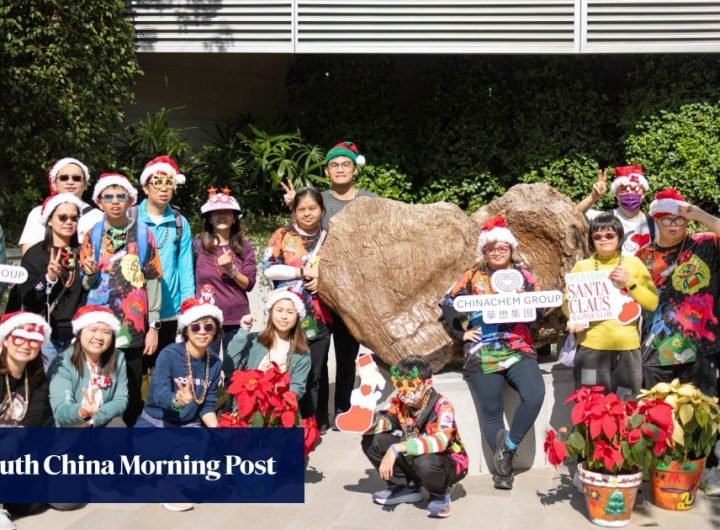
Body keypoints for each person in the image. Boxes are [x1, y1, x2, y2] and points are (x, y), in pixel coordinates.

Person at [438, 216, 545, 490]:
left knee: (534, 395)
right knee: (492, 411)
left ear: (511, 250)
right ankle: (503, 470)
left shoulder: (525, 277)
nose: (496, 252)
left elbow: (542, 310)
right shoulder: (472, 277)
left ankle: (508, 448)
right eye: (491, 248)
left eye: (502, 247)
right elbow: (447, 305)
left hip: (519, 347)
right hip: (483, 349)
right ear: (483, 251)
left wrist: (526, 300)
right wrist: (461, 334)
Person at [281, 141, 378, 427]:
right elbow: (301, 231)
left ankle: (343, 411)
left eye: (345, 164)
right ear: (326, 171)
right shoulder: (318, 199)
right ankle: (318, 416)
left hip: (352, 294)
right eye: (334, 165)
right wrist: (291, 206)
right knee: (317, 360)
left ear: (355, 169)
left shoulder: (368, 200)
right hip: (317, 295)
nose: (339, 169)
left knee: (347, 358)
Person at [80, 173, 163, 426]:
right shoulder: (91, 235)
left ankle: (130, 450)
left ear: (130, 201)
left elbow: (153, 279)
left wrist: (154, 326)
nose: (115, 202)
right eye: (108, 197)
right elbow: (86, 284)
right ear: (99, 202)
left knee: (133, 392)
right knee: (98, 389)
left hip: (134, 329)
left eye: (121, 196)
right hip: (99, 329)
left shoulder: (143, 233)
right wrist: (91, 273)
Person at [635, 188, 720, 396]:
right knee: (657, 415)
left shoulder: (705, 243)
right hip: (656, 349)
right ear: (656, 219)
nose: (674, 225)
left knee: (703, 417)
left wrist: (700, 214)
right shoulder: (642, 255)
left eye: (679, 220)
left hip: (702, 347)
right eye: (667, 220)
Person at [564, 212, 658, 399]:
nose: (604, 239)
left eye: (609, 235)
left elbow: (652, 303)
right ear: (591, 240)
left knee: (627, 403)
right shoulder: (582, 267)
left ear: (619, 236)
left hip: (627, 349)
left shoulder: (634, 263)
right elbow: (568, 302)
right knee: (589, 404)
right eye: (597, 236)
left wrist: (630, 282)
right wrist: (572, 318)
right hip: (591, 348)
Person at [361, 355, 468, 519]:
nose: (405, 392)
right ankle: (406, 486)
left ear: (427, 383)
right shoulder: (399, 403)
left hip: (445, 462)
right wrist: (364, 421)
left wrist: (396, 448)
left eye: (411, 385)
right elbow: (386, 421)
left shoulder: (443, 406)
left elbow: (441, 441)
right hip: (413, 456)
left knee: (424, 462)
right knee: (372, 440)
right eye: (399, 385)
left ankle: (439, 494)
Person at [264, 188, 330, 427]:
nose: (307, 213)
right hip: (285, 315)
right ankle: (285, 419)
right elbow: (269, 268)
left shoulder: (331, 239)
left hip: (319, 316)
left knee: (315, 371)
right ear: (294, 211)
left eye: (313, 208)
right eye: (301, 209)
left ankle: (313, 423)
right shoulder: (282, 235)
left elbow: (342, 274)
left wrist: (323, 278)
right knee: (286, 368)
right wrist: (301, 272)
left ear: (322, 210)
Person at [14, 193, 96, 371]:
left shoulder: (83, 251)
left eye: (74, 218)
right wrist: (48, 278)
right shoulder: (35, 254)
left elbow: (90, 292)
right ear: (49, 221)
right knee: (47, 391)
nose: (69, 222)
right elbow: (28, 296)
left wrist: (91, 274)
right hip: (46, 336)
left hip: (77, 334)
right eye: (62, 217)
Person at [137, 155, 195, 354]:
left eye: (168, 183)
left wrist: (188, 305)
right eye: (157, 183)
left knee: (166, 371)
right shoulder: (131, 218)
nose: (163, 189)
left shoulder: (180, 222)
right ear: (145, 188)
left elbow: (185, 267)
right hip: (135, 308)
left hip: (170, 309)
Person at [0, 311, 52, 530]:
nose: (25, 345)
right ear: (4, 340)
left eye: (34, 341)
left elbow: (36, 415)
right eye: (19, 337)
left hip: (16, 449)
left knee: (35, 503)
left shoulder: (38, 378)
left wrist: (16, 434)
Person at [193, 186, 256, 354]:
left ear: (235, 218)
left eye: (227, 212)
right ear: (210, 219)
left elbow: (249, 284)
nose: (222, 216)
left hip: (237, 318)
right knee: (206, 368)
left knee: (235, 370)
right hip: (205, 319)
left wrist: (231, 269)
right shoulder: (197, 246)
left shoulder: (245, 247)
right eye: (216, 212)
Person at [48, 306, 127, 427]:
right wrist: (81, 412)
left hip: (99, 423)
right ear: (80, 333)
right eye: (93, 330)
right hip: (69, 429)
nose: (99, 337)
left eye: (106, 332)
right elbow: (61, 408)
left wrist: (95, 418)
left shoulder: (118, 358)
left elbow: (121, 399)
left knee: (118, 425)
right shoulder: (62, 362)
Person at [226, 290, 311, 399]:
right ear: (270, 313)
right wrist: (243, 332)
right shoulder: (254, 340)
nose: (284, 316)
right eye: (279, 310)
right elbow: (229, 366)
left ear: (297, 317)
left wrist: (279, 397)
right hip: (247, 404)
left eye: (290, 312)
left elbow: (298, 387)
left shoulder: (302, 352)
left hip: (279, 408)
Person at [18, 158, 103, 255]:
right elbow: (28, 252)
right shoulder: (38, 213)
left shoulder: (99, 217)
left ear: (85, 185)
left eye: (76, 178)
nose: (70, 182)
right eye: (64, 178)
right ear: (54, 184)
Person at [577, 165, 655, 255]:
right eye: (623, 189)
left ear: (643, 193)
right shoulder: (606, 218)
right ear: (616, 195)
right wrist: (593, 197)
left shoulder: (653, 223)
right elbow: (575, 213)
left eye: (634, 188)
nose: (629, 192)